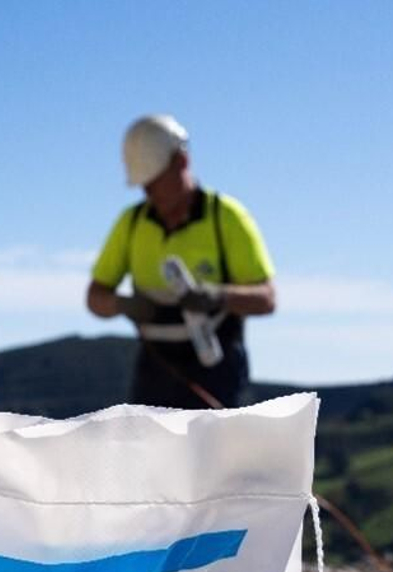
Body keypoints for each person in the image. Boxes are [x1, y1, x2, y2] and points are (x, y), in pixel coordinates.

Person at [86, 114, 278, 409]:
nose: (147, 191)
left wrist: (217, 296)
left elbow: (266, 298)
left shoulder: (225, 217)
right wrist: (123, 305)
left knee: (214, 455)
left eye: (154, 180)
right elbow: (95, 297)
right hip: (156, 369)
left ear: (181, 162)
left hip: (217, 371)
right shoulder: (132, 223)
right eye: (143, 183)